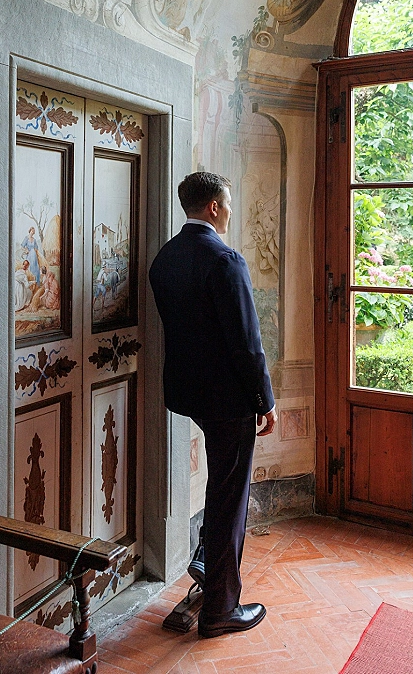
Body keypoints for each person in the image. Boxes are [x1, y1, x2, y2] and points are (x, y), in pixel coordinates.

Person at [149, 171, 277, 639]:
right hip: (229, 399)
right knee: (229, 499)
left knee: (220, 488)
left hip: (189, 393)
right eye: (229, 203)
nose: (230, 210)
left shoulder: (165, 258)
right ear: (215, 208)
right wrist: (265, 400)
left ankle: (205, 568)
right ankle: (221, 609)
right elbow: (248, 343)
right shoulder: (225, 259)